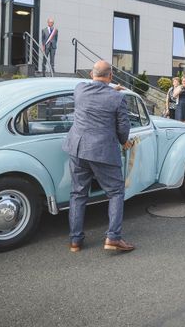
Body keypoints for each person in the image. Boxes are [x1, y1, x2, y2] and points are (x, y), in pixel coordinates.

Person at [63, 60, 134, 253]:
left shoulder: (79, 89)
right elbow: (123, 128)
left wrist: (110, 88)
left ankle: (75, 241)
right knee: (116, 192)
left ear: (91, 75)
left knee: (78, 193)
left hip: (77, 148)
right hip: (102, 151)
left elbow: (96, 91)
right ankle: (113, 238)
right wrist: (122, 141)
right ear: (111, 76)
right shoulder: (118, 98)